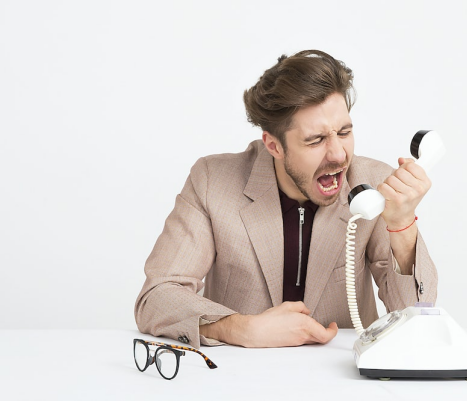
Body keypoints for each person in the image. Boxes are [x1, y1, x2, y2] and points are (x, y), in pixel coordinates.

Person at [135, 49, 438, 349]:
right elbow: (157, 296)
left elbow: (416, 316)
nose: (338, 154)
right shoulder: (212, 180)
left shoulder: (372, 184)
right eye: (316, 140)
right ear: (274, 145)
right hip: (237, 378)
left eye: (344, 132)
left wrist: (401, 226)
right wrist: (239, 328)